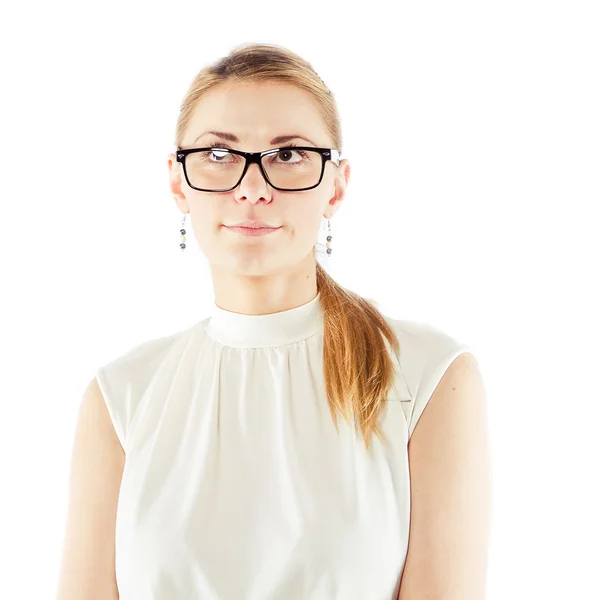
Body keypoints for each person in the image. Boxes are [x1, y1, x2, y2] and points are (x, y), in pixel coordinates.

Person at [56, 42, 492, 600]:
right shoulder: (120, 395)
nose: (253, 188)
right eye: (218, 154)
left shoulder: (430, 377)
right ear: (176, 183)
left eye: (288, 155)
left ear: (336, 185)